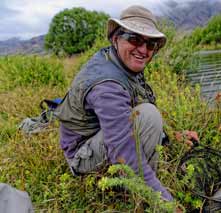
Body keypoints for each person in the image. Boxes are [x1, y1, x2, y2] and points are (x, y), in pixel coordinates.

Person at [55, 5, 198, 202]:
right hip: (82, 157)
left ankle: (141, 184)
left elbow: (127, 113)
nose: (143, 50)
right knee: (148, 115)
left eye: (150, 44)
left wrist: (172, 137)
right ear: (116, 38)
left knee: (147, 114)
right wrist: (168, 205)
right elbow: (126, 155)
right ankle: (131, 195)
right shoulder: (107, 86)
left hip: (98, 138)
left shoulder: (119, 61)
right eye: (134, 39)